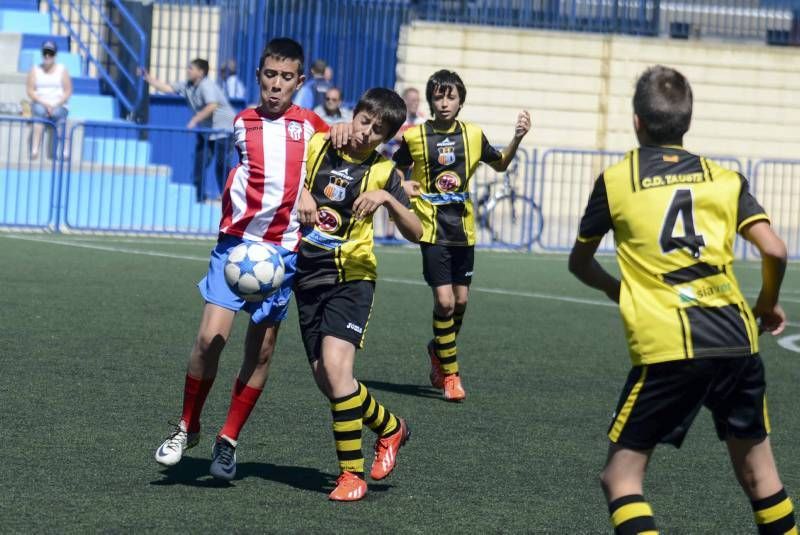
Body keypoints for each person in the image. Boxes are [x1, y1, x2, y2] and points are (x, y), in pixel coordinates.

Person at [568, 65, 796, 534]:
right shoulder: (724, 178)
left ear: (637, 121)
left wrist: (619, 289)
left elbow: (580, 263)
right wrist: (768, 303)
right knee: (760, 477)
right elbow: (775, 248)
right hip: (736, 339)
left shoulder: (616, 181)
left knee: (621, 477)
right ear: (687, 122)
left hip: (669, 343)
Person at [153, 38, 341, 481]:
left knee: (261, 353)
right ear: (259, 75)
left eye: (286, 78)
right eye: (270, 75)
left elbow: (339, 162)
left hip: (282, 254)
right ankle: (187, 427)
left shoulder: (312, 125)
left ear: (300, 81)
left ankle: (228, 440)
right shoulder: (241, 122)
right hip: (236, 248)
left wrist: (314, 190)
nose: (276, 86)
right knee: (208, 341)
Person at [295, 87, 422, 501]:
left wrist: (388, 198)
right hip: (307, 274)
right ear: (356, 113)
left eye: (378, 130)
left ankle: (351, 476)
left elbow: (417, 231)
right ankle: (390, 427)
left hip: (353, 277)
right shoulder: (318, 144)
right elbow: (290, 178)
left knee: (336, 368)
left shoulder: (384, 172)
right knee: (329, 382)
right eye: (364, 121)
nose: (366, 132)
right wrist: (299, 192)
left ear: (387, 137)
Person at [393, 70, 530, 401]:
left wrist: (517, 138)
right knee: (444, 301)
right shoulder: (414, 137)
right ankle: (451, 377)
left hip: (463, 230)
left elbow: (499, 164)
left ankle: (438, 348)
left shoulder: (472, 134)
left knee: (462, 301)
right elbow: (394, 170)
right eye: (438, 97)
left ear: (460, 101)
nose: (444, 103)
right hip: (431, 228)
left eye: (450, 96)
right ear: (431, 100)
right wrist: (401, 187)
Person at [142, 58, 236, 201]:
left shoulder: (207, 86)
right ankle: (199, 198)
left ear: (201, 72)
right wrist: (149, 79)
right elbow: (168, 88)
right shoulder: (188, 85)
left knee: (221, 166)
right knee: (200, 163)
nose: (188, 70)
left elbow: (212, 106)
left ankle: (229, 198)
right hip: (207, 132)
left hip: (224, 130)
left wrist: (194, 120)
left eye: (191, 68)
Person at [26, 40, 72, 159]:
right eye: (45, 52)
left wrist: (56, 104)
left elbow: (68, 91)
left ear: (55, 55)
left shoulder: (62, 70)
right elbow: (30, 90)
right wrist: (45, 104)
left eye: (50, 53)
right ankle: (35, 149)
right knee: (39, 112)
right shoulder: (35, 70)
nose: (47, 56)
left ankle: (65, 149)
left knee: (59, 115)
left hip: (59, 103)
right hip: (41, 102)